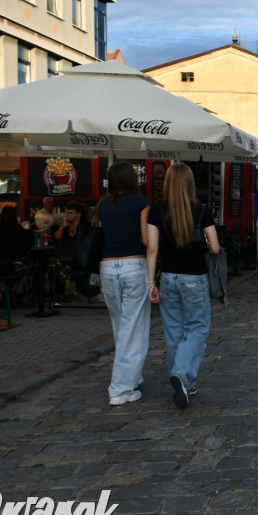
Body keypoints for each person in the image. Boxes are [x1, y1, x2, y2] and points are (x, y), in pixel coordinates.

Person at [146, 163, 220, 410]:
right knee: (197, 329)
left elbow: (152, 248)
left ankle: (185, 382)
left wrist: (150, 282)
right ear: (190, 183)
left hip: (168, 276)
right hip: (194, 276)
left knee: (174, 332)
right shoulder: (201, 211)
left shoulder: (156, 211)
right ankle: (182, 374)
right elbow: (215, 247)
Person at [96, 161, 152, 406]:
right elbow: (145, 238)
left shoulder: (102, 204)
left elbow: (100, 235)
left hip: (107, 266)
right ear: (132, 178)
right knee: (134, 329)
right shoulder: (141, 203)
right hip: (133, 265)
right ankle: (120, 388)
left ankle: (131, 375)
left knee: (120, 326)